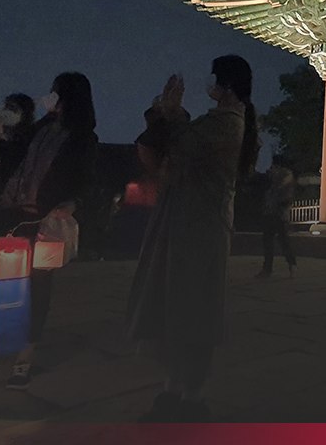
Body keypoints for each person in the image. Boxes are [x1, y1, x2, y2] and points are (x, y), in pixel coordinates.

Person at [128, 55, 259, 422]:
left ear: (226, 84)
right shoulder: (225, 121)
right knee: (178, 305)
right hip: (189, 222)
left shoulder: (226, 123)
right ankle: (174, 389)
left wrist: (172, 112)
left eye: (214, 78)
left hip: (200, 227)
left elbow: (183, 144)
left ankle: (192, 395)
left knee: (195, 309)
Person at [0, 72, 97, 395]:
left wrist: (73, 202)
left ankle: (27, 351)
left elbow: (86, 179)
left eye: (54, 92)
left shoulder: (83, 137)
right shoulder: (39, 129)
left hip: (48, 222)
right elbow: (13, 156)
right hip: (12, 215)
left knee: (39, 285)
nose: (48, 97)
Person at [256, 155, 297, 278]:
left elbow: (283, 193)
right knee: (268, 241)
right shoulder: (273, 179)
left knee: (283, 241)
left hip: (280, 214)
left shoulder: (286, 176)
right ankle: (267, 268)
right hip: (270, 213)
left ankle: (292, 264)